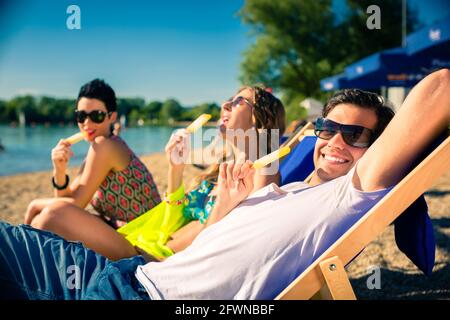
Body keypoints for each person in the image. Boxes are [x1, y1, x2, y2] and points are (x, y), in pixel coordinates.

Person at [0, 69, 449, 300]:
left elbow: (440, 88)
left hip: (140, 292)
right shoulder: (291, 190)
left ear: (381, 148)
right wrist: (223, 212)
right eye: (327, 128)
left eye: (355, 136)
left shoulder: (350, 194)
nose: (335, 141)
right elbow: (204, 252)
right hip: (126, 275)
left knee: (47, 218)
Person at [115, 85, 287, 261]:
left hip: (156, 261)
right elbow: (174, 220)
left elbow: (237, 239)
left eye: (238, 102)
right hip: (147, 242)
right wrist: (175, 169)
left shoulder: (263, 171)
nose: (224, 105)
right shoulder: (220, 168)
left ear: (260, 120)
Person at [23, 79, 161, 260]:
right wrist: (59, 169)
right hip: (125, 233)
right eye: (81, 116)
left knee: (48, 216)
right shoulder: (97, 148)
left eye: (96, 115)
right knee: (45, 217)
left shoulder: (104, 145)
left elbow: (71, 206)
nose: (86, 123)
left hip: (144, 239)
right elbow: (65, 200)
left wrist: (34, 204)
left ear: (111, 117)